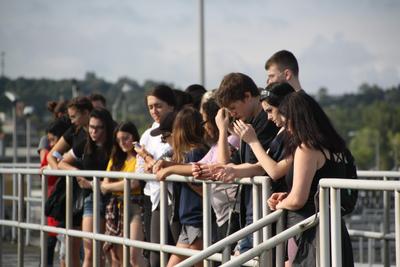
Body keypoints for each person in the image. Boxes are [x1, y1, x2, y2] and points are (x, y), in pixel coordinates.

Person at [267, 92, 354, 266]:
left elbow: (298, 200)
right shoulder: (337, 148)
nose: (288, 130)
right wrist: (287, 196)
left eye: (288, 123)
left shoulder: (307, 148)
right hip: (334, 228)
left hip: (308, 230)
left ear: (298, 120)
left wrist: (279, 204)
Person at [213, 72, 279, 253]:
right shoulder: (248, 125)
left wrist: (233, 170)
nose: (233, 114)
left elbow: (260, 167)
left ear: (248, 96)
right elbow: (226, 162)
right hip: (251, 208)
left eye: (233, 108)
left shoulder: (266, 123)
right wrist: (223, 130)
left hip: (262, 208)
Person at [58, 108, 115, 267]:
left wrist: (90, 183)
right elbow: (62, 162)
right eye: (91, 127)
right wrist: (76, 171)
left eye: (98, 127)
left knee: (110, 252)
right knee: (89, 251)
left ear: (107, 127)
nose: (93, 131)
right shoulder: (84, 144)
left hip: (114, 199)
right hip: (91, 199)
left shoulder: (115, 146)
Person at [153, 107, 208, 267]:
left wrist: (170, 169)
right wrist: (170, 165)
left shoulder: (196, 152)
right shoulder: (194, 151)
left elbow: (195, 173)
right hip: (191, 222)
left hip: (197, 220)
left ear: (182, 130)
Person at [134, 84, 177, 267]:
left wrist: (147, 157)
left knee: (180, 251)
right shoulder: (147, 135)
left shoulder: (180, 128)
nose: (154, 111)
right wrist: (149, 162)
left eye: (158, 105)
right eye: (150, 107)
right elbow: (140, 171)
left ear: (171, 106)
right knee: (156, 257)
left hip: (177, 198)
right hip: (156, 200)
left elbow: (173, 161)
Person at [100, 122, 147, 267]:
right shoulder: (115, 159)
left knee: (134, 255)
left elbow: (135, 184)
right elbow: (103, 187)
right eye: (119, 140)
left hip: (136, 206)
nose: (122, 143)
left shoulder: (141, 156)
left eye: (125, 138)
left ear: (134, 136)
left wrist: (111, 186)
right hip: (116, 207)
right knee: (116, 255)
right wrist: (124, 184)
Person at [41, 117, 71, 267]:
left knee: (66, 253)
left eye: (53, 141)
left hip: (66, 210)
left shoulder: (69, 156)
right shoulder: (59, 157)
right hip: (59, 211)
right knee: (63, 253)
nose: (51, 145)